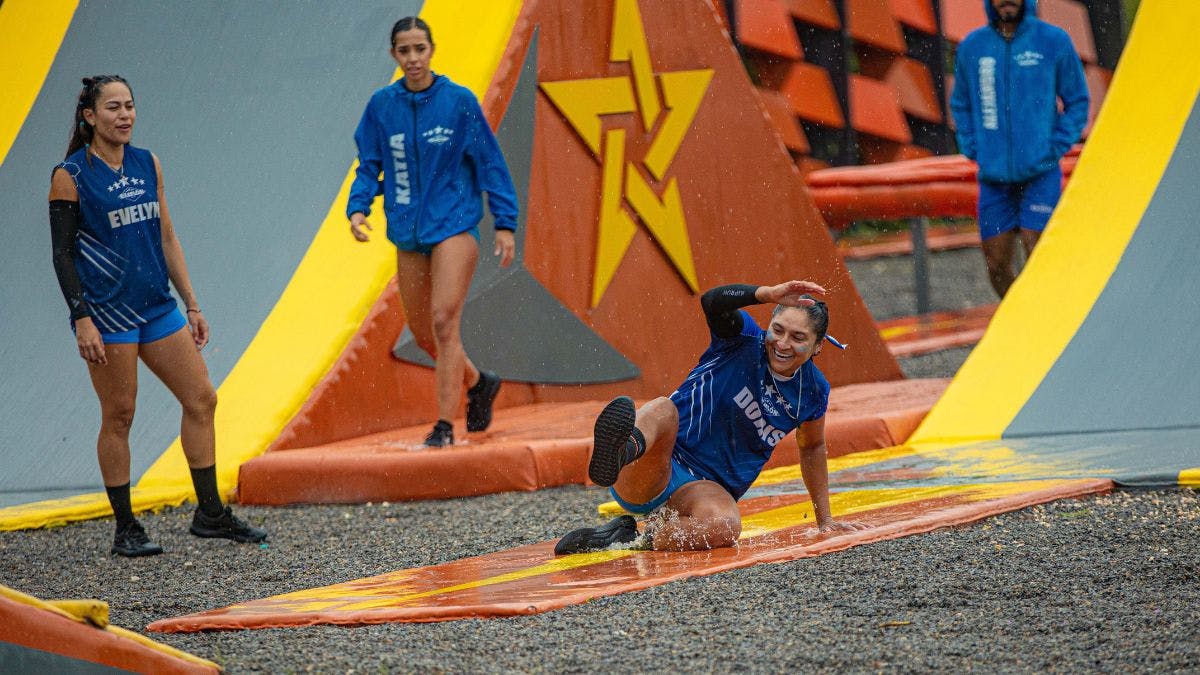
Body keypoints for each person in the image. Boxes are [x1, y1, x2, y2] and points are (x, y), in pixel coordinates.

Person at [48, 76, 267, 557]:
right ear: (90, 116)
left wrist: (192, 302)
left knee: (202, 398)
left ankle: (210, 514)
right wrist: (82, 318)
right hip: (108, 313)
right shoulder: (71, 175)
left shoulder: (148, 162)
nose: (124, 115)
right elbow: (62, 253)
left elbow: (167, 235)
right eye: (113, 107)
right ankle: (126, 528)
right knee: (120, 414)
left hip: (157, 305)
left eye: (129, 106)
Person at [555, 281, 866, 554]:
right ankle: (619, 452)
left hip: (705, 490)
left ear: (817, 346)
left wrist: (825, 520)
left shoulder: (813, 391)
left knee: (726, 526)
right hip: (652, 466)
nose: (783, 344)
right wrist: (766, 294)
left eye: (798, 337)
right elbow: (713, 301)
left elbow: (812, 447)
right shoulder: (742, 339)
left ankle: (632, 537)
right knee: (663, 408)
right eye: (778, 330)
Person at [347, 16, 519, 447]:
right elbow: (369, 164)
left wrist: (505, 223)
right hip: (408, 231)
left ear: (432, 50)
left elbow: (490, 162)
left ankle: (444, 425)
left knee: (444, 322)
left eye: (419, 49)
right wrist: (358, 207)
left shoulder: (458, 101)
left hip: (454, 223)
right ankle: (479, 383)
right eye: (404, 51)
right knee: (425, 335)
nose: (413, 59)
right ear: (394, 55)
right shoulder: (382, 106)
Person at [950, 0, 1088, 298]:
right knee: (996, 264)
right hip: (994, 178)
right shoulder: (972, 47)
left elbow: (1078, 101)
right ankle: (1023, 317)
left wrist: (1055, 145)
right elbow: (960, 103)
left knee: (1038, 250)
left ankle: (1050, 315)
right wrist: (973, 146)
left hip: (1040, 174)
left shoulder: (1053, 41)